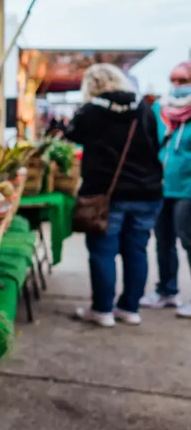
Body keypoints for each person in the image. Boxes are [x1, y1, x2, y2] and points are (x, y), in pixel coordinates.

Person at [65, 64, 163, 328]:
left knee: (102, 252)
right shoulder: (144, 108)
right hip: (148, 192)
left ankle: (103, 310)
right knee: (137, 251)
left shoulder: (91, 110)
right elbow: (156, 143)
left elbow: (71, 134)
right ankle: (130, 309)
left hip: (106, 194)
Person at [141, 61, 191, 316]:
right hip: (161, 187)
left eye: (183, 81)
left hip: (188, 189)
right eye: (174, 80)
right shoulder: (161, 109)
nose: (177, 85)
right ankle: (167, 291)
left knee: (189, 240)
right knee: (163, 241)